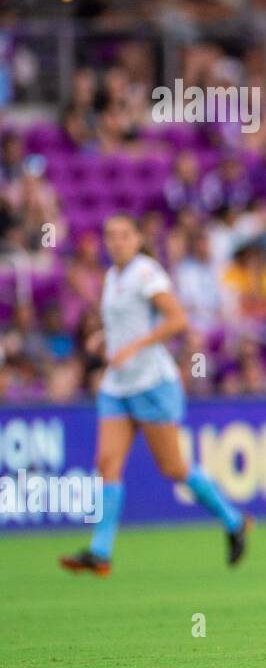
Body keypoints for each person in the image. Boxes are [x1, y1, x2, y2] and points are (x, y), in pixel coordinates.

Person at [60, 215, 250, 577]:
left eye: (123, 235)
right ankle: (101, 551)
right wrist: (105, 338)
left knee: (174, 468)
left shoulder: (146, 273)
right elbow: (127, 323)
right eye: (110, 236)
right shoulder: (113, 277)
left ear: (136, 239)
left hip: (150, 383)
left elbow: (178, 320)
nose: (116, 242)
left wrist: (134, 347)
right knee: (106, 463)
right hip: (118, 384)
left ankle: (233, 519)